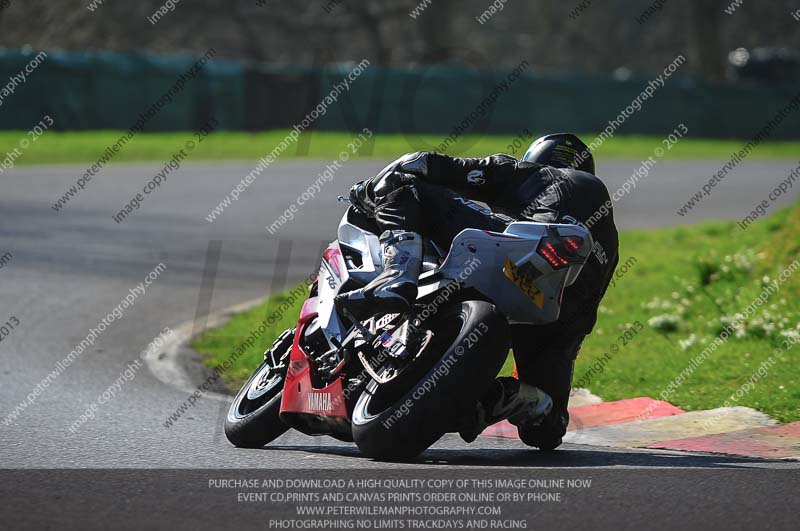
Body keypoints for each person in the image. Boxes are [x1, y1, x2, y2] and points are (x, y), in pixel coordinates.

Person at [335, 133, 619, 450]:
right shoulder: (610, 240)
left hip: (521, 254)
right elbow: (585, 314)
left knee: (403, 184)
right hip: (559, 316)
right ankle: (507, 397)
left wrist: (371, 189)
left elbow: (423, 164)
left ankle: (395, 277)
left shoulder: (535, 173)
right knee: (546, 428)